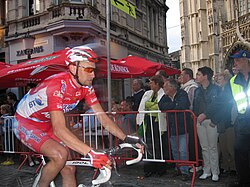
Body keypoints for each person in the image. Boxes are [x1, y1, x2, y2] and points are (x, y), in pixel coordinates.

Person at [12, 45, 144, 187]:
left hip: (46, 123)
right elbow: (59, 129)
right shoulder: (56, 85)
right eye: (88, 70)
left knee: (69, 168)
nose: (93, 75)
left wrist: (127, 138)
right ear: (73, 68)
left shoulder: (86, 87)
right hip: (25, 122)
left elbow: (103, 118)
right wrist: (91, 153)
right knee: (60, 155)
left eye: (94, 70)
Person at [210, 50, 250, 187]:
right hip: (243, 122)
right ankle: (243, 181)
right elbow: (222, 102)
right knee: (240, 152)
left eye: (238, 60)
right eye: (234, 60)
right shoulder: (233, 81)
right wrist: (210, 116)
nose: (235, 63)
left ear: (246, 61)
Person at [158, 78, 191, 181]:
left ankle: (185, 171)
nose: (163, 88)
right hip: (172, 127)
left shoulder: (182, 93)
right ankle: (179, 169)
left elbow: (183, 105)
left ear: (172, 87)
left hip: (183, 127)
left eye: (165, 86)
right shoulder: (165, 97)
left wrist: (171, 107)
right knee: (175, 151)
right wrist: (174, 106)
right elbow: (161, 106)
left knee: (183, 150)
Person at [193, 66, 221, 182]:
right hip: (200, 121)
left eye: (199, 74)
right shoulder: (197, 90)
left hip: (211, 121)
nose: (197, 77)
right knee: (204, 147)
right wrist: (196, 116)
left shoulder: (216, 89)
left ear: (205, 76)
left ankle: (215, 171)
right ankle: (206, 170)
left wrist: (208, 116)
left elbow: (218, 105)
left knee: (212, 147)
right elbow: (195, 105)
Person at [136, 75, 167, 177]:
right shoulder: (147, 93)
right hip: (147, 121)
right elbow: (144, 106)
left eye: (151, 83)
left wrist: (150, 106)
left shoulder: (163, 93)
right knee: (148, 144)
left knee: (159, 145)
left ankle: (160, 168)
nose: (149, 84)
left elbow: (159, 105)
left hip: (157, 122)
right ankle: (149, 168)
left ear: (157, 84)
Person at [178, 68, 202, 172]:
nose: (180, 77)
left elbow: (191, 103)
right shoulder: (184, 88)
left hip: (191, 118)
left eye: (182, 75)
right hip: (186, 119)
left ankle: (197, 164)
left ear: (187, 76)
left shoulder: (192, 88)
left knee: (193, 141)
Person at [215, 71, 236, 175]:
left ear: (225, 79)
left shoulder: (229, 90)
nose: (218, 81)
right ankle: (225, 166)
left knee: (230, 146)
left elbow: (227, 106)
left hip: (229, 121)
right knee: (223, 146)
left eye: (220, 79)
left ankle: (233, 167)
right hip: (221, 121)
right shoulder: (219, 91)